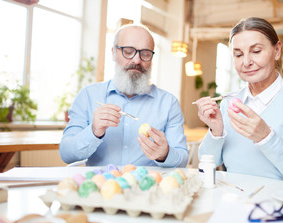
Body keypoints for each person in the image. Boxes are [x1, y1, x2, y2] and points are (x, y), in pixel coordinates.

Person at [196, 17, 283, 179]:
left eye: (256, 51)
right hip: (232, 199)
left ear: (277, 50)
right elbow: (209, 163)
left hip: (281, 202)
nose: (246, 62)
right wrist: (216, 131)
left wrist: (266, 137)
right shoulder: (229, 101)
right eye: (238, 54)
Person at [60, 24, 188, 168]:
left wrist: (165, 154)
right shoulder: (88, 95)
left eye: (145, 54)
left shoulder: (168, 103)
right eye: (128, 51)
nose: (136, 61)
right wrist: (94, 131)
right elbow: (66, 154)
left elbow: (183, 160)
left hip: (149, 188)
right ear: (114, 52)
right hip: (101, 186)